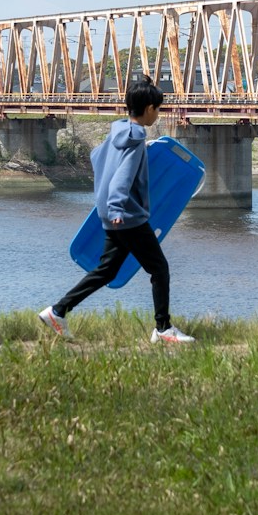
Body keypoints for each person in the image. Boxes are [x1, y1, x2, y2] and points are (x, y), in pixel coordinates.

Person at [40, 75, 194, 345]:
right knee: (159, 269)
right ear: (148, 109)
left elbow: (96, 156)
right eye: (158, 109)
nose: (158, 115)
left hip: (113, 215)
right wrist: (116, 207)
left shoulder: (118, 133)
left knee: (107, 271)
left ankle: (57, 311)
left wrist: (107, 203)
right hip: (126, 217)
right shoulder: (135, 141)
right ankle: (163, 329)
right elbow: (123, 177)